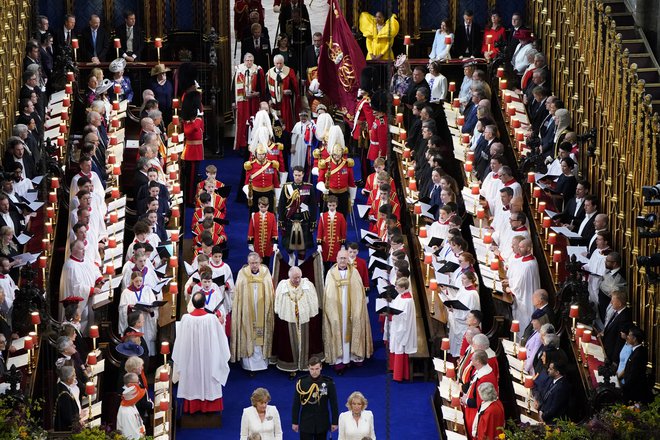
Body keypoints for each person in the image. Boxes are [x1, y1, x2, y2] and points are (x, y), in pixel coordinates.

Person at [172, 292, 230, 413]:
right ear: (205, 303)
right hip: (209, 358)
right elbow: (221, 340)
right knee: (209, 378)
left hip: (190, 359)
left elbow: (180, 342)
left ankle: (192, 406)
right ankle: (210, 406)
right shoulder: (212, 319)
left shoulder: (185, 319)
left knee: (191, 379)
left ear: (192, 304)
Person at [323, 250, 373, 372]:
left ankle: (354, 355)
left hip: (352, 308)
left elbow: (358, 291)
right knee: (338, 327)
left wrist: (357, 308)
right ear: (336, 258)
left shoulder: (354, 272)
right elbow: (328, 294)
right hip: (337, 309)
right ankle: (340, 359)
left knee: (355, 323)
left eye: (345, 258)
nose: (342, 261)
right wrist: (332, 310)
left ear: (348, 259)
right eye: (340, 258)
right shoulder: (331, 273)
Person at [232, 252, 275, 372]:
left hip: (261, 309)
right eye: (252, 263)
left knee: (261, 333)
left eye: (256, 263)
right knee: (248, 332)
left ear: (260, 262)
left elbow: (270, 291)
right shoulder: (243, 273)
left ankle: (263, 362)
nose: (254, 266)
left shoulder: (265, 272)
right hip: (247, 309)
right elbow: (238, 292)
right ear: (248, 263)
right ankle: (249, 365)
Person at [274, 266, 322, 374]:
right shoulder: (283, 286)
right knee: (290, 344)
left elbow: (314, 302)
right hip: (289, 321)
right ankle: (292, 366)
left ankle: (306, 364)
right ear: (289, 276)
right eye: (295, 278)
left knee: (307, 342)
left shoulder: (307, 285)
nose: (297, 280)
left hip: (304, 321)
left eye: (299, 277)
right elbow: (278, 303)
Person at [60, 240, 104, 334]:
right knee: (82, 318)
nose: (84, 251)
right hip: (79, 302)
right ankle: (80, 337)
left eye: (84, 249)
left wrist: (99, 278)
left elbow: (94, 269)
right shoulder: (70, 266)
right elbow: (76, 287)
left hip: (89, 296)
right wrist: (92, 290)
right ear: (73, 250)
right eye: (81, 249)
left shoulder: (85, 260)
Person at [292, 356, 339, 439]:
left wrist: (335, 422)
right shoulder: (301, 383)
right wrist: (294, 422)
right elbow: (296, 403)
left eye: (317, 369)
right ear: (308, 368)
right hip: (306, 422)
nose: (314, 372)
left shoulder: (328, 383)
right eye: (312, 369)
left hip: (322, 422)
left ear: (321, 367)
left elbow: (333, 404)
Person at [278, 165, 317, 265]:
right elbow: (282, 204)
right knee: (288, 245)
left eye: (299, 175)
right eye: (295, 175)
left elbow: (313, 206)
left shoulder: (309, 187)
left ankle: (300, 264)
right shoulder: (287, 187)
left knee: (302, 246)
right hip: (289, 219)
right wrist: (281, 220)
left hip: (304, 219)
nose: (297, 177)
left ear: (303, 175)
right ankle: (291, 257)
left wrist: (313, 222)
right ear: (293, 175)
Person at [387, 277, 417, 382]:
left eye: (397, 287)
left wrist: (393, 313)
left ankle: (400, 375)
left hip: (403, 328)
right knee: (395, 346)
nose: (395, 289)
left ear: (404, 288)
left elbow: (405, 317)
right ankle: (393, 369)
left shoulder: (408, 301)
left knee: (400, 348)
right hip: (397, 325)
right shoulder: (401, 296)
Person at [234, 53, 266, 151]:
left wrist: (257, 93)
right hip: (241, 102)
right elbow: (233, 87)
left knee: (253, 121)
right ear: (244, 61)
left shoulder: (257, 70)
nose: (249, 62)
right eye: (247, 60)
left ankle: (254, 143)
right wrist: (232, 101)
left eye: (251, 60)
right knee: (242, 122)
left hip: (254, 101)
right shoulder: (239, 70)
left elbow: (262, 87)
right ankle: (242, 146)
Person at [620, 326, 652, 404]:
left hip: (634, 392)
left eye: (629, 335)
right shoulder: (636, 351)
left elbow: (633, 375)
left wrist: (623, 388)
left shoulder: (638, 354)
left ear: (634, 339)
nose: (627, 337)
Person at [267, 54, 299, 132]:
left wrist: (290, 91)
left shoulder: (289, 71)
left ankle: (287, 137)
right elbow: (266, 88)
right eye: (277, 63)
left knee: (286, 120)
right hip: (274, 102)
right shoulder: (269, 73)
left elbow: (295, 86)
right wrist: (269, 99)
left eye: (281, 63)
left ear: (283, 63)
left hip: (286, 101)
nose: (279, 65)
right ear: (274, 63)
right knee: (276, 121)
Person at [248, 197, 279, 267]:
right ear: (258, 206)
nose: (263, 209)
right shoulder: (254, 216)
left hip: (268, 245)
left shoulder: (272, 216)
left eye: (265, 207)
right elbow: (251, 230)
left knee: (266, 263)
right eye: (261, 207)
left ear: (268, 206)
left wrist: (275, 243)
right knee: (257, 263)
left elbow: (274, 231)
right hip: (257, 245)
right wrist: (250, 243)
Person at [53, 365, 82, 431]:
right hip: (65, 430)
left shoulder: (61, 386)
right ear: (68, 379)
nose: (75, 377)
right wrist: (79, 424)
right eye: (74, 376)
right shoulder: (64, 395)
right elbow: (69, 418)